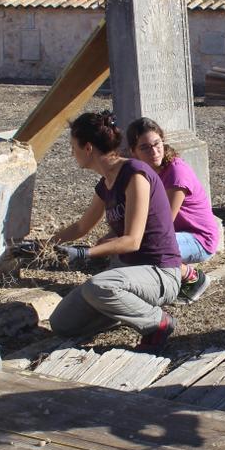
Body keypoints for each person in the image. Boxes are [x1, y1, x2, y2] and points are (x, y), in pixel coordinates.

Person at [47, 111, 182, 352]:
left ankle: (158, 322)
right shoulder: (105, 183)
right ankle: (127, 310)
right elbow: (80, 227)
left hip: (160, 273)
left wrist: (85, 254)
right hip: (126, 275)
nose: (71, 153)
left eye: (73, 147)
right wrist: (43, 245)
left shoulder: (135, 174)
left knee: (97, 287)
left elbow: (132, 241)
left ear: (88, 148)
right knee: (61, 324)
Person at [125, 117, 221, 304]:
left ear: (163, 140)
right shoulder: (142, 172)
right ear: (133, 152)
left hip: (200, 238)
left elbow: (165, 222)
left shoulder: (176, 172)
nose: (154, 151)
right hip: (177, 234)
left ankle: (192, 278)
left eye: (157, 143)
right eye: (145, 147)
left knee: (145, 248)